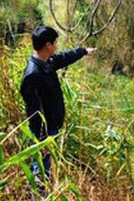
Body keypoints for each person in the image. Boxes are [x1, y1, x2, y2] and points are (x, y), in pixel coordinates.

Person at [20, 26, 95, 178]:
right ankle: (38, 199)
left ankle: (42, 195)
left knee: (46, 165)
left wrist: (83, 51)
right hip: (44, 131)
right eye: (55, 42)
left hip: (52, 126)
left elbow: (64, 57)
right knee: (40, 167)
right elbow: (33, 109)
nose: (57, 45)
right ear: (48, 45)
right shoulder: (33, 74)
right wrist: (43, 136)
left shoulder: (47, 61)